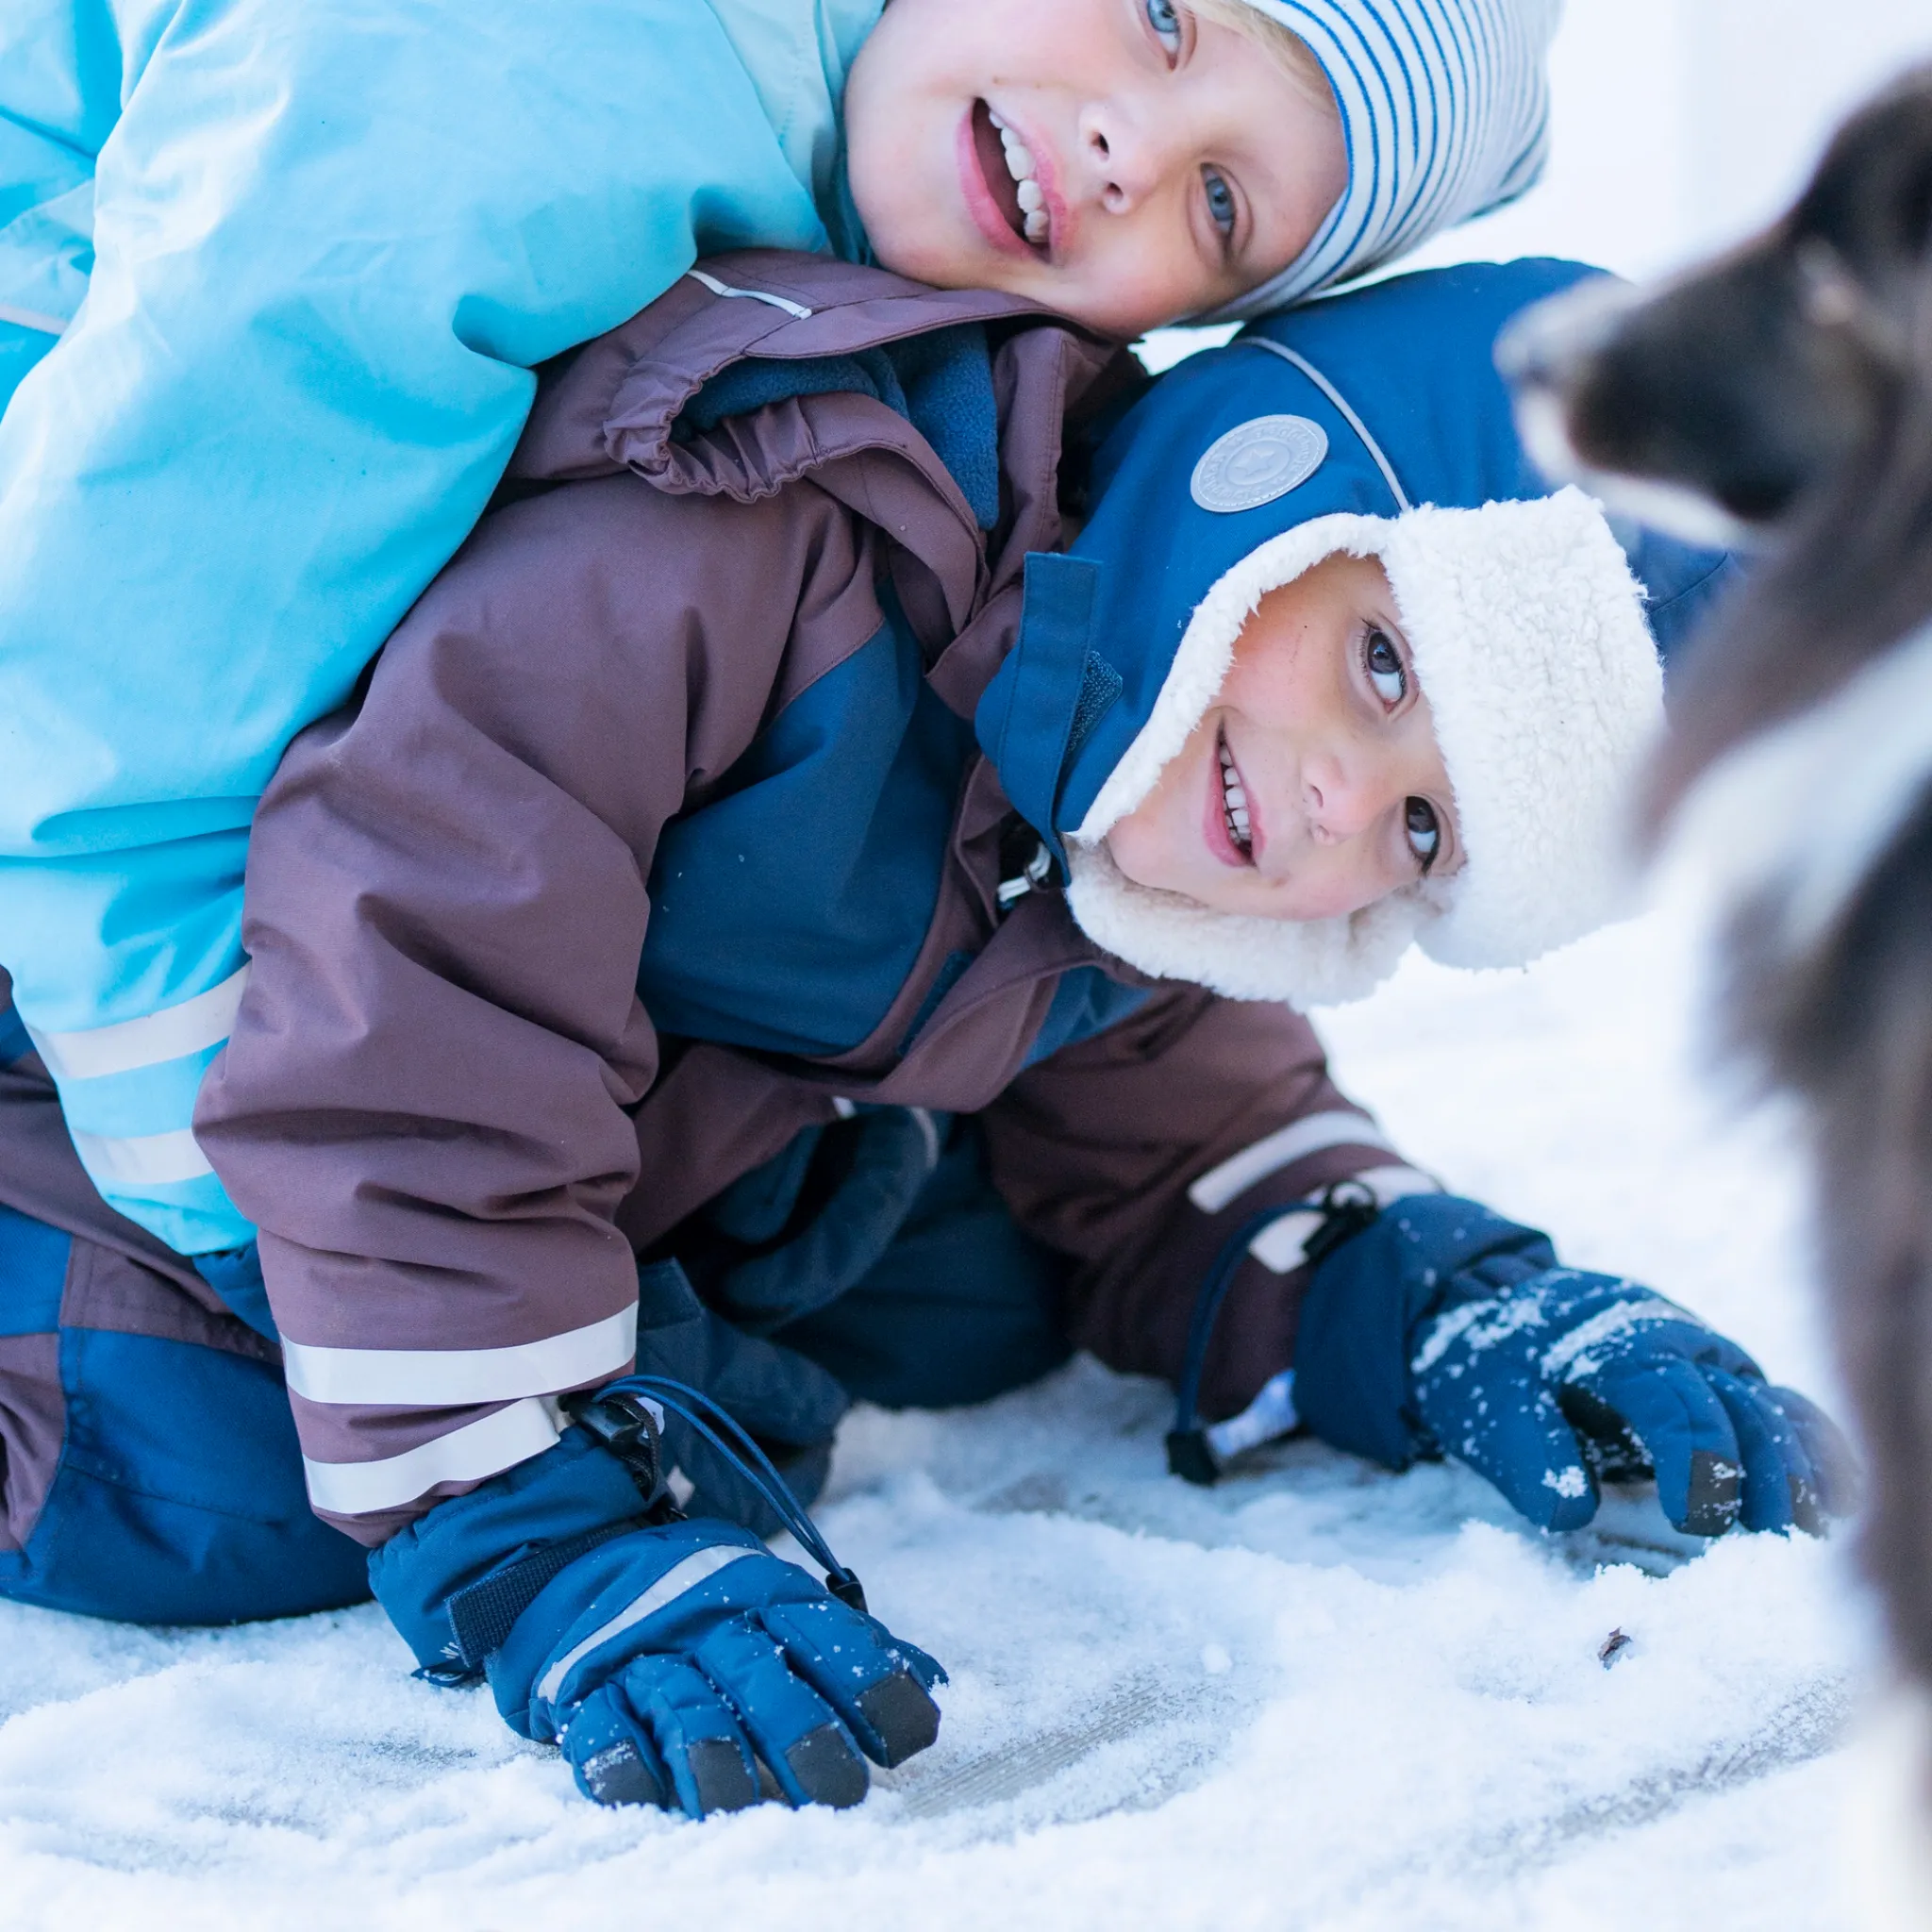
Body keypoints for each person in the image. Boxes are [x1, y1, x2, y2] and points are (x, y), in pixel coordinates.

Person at [0, 250, 1844, 1822]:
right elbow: (416, 975)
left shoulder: (1132, 769)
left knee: (966, 1282)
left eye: (1424, 832)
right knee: (217, 1467)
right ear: (1271, 477)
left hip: (640, 1119)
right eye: (1382, 664)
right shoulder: (777, 542)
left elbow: (1166, 1111)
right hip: (166, 1058)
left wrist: (1421, 1290)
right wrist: (537, 1502)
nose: (1331, 805)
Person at [0, 0, 1557, 1259]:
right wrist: (216, 1135)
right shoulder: (517, 75)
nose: (1123, 145)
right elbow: (156, 565)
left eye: (1224, 200)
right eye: (1161, 15)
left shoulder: (896, 182)